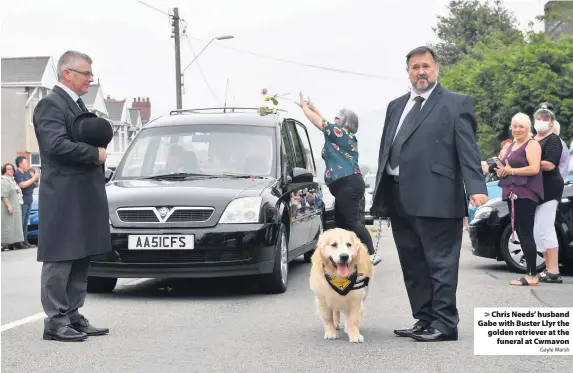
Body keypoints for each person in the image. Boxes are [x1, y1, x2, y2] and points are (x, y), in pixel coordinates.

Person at [370, 46, 488, 342]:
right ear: (407, 71)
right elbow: (388, 148)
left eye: (426, 66)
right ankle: (424, 318)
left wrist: (475, 187)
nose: (420, 72)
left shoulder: (456, 103)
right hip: (398, 195)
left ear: (436, 68)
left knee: (440, 263)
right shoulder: (395, 105)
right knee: (413, 263)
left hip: (438, 195)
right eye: (414, 67)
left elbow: (468, 149)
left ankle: (446, 324)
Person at [33, 50, 111, 342]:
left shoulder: (75, 103)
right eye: (86, 73)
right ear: (67, 74)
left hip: (82, 193)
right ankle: (55, 321)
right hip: (63, 194)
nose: (90, 79)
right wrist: (96, 153)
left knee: (81, 254)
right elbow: (55, 145)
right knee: (61, 256)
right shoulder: (50, 104)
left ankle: (73, 315)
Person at [297, 92, 381, 266]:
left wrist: (305, 109)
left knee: (351, 221)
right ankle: (348, 255)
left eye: (337, 118)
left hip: (348, 183)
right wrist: (312, 107)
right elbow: (324, 121)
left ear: (344, 123)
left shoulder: (341, 134)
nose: (333, 120)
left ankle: (371, 253)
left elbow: (319, 122)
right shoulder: (339, 135)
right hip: (346, 185)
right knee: (341, 223)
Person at [496, 113, 543, 286]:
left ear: (528, 127)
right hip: (511, 192)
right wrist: (502, 170)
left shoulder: (532, 144)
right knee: (520, 233)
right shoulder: (512, 145)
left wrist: (512, 171)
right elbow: (507, 167)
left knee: (525, 233)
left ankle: (532, 274)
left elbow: (534, 168)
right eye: (514, 126)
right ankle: (530, 273)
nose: (516, 129)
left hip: (526, 193)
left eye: (521, 126)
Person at [531, 103, 564, 284]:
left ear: (551, 123)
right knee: (537, 231)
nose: (541, 122)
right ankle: (548, 266)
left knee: (546, 227)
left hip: (550, 187)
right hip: (536, 189)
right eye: (538, 118)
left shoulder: (553, 140)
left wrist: (531, 163)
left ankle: (554, 270)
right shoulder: (533, 139)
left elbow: (550, 164)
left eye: (545, 119)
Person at [14, 156, 39, 248]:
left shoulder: (27, 173)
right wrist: (33, 179)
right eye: (26, 162)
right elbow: (22, 185)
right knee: (21, 221)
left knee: (26, 222)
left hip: (29, 199)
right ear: (20, 164)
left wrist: (35, 177)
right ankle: (19, 242)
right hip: (22, 200)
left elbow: (35, 185)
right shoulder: (17, 173)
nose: (28, 164)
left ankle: (25, 240)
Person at [1, 163, 25, 251]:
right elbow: (4, 195)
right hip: (9, 206)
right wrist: (9, 206)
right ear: (4, 170)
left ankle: (14, 242)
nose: (11, 171)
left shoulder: (12, 180)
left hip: (16, 204)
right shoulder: (4, 180)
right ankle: (5, 243)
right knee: (8, 225)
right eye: (8, 169)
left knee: (15, 225)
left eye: (12, 169)